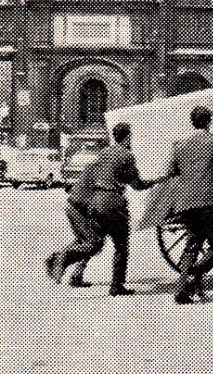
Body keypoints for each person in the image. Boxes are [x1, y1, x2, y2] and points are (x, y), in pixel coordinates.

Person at [48, 123, 158, 296]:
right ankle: (116, 286)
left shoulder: (104, 153)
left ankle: (65, 263)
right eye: (131, 137)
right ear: (128, 137)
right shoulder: (127, 155)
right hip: (114, 204)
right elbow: (137, 184)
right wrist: (156, 180)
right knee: (121, 246)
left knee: (94, 242)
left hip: (97, 203)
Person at [167, 106, 213, 305]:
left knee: (192, 244)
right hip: (209, 201)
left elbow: (172, 171)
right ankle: (192, 279)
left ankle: (181, 284)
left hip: (185, 202)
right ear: (209, 121)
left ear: (192, 122)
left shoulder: (179, 145)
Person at [46, 160, 102, 287]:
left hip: (75, 206)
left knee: (85, 241)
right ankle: (59, 259)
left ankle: (76, 275)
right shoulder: (105, 168)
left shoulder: (96, 165)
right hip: (81, 208)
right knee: (93, 242)